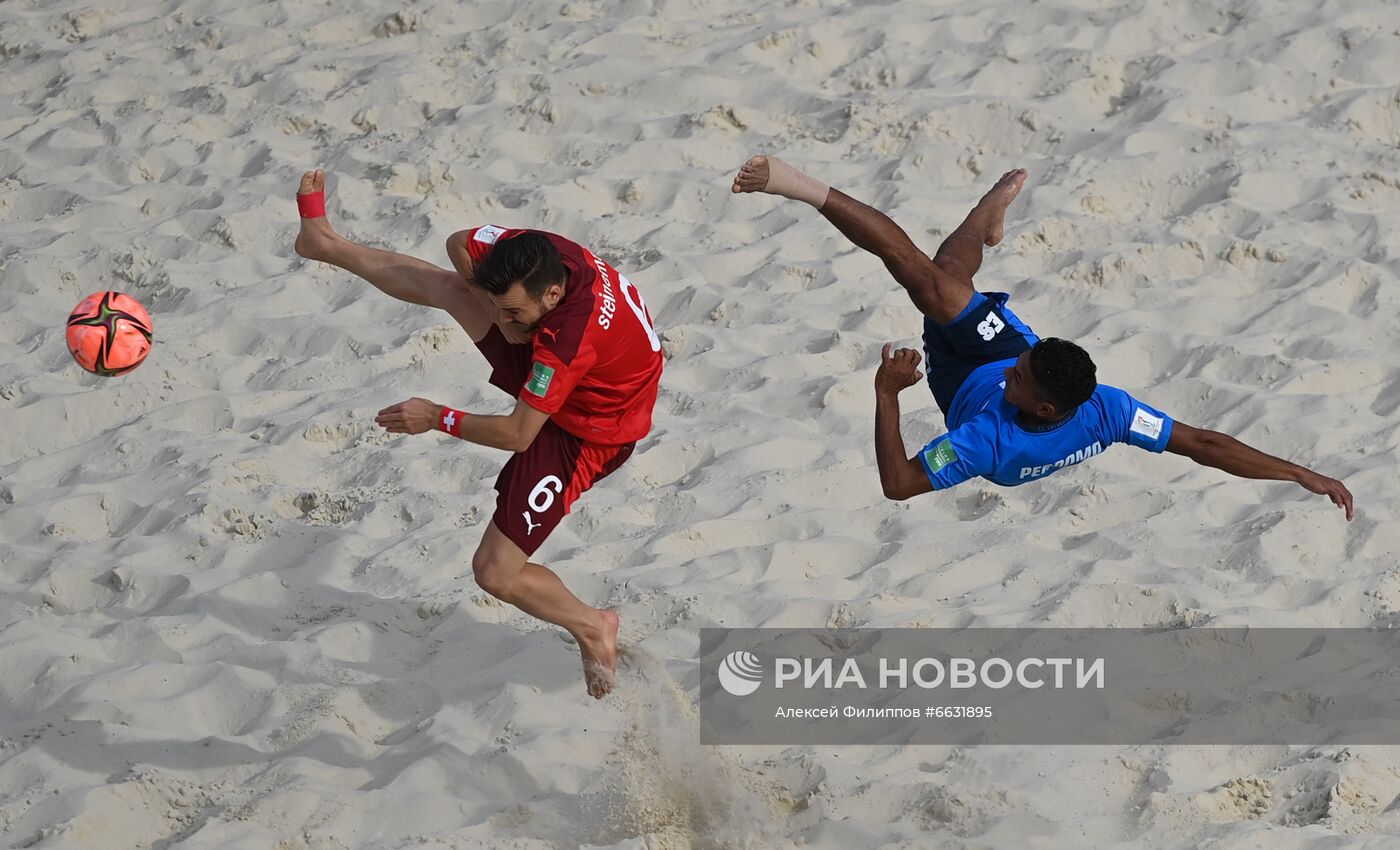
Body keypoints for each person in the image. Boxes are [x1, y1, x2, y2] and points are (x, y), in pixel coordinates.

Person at [732, 157, 1354, 519]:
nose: (1011, 374)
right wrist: (1300, 473)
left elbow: (898, 486)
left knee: (944, 277)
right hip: (993, 346)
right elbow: (1202, 443)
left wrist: (888, 394)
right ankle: (804, 186)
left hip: (953, 381)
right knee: (934, 282)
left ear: (1042, 407)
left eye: (1019, 380)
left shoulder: (983, 444)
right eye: (1021, 366)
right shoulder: (1105, 407)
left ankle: (983, 218)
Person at [293, 170, 664, 697]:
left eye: (513, 310)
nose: (501, 317)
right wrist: (503, 314)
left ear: (554, 295)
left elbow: (517, 433)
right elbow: (458, 244)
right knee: (456, 287)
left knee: (495, 573)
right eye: (502, 305)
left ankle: (591, 624)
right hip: (595, 372)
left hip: (590, 433)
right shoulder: (543, 253)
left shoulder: (566, 342)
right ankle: (324, 242)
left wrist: (436, 416)